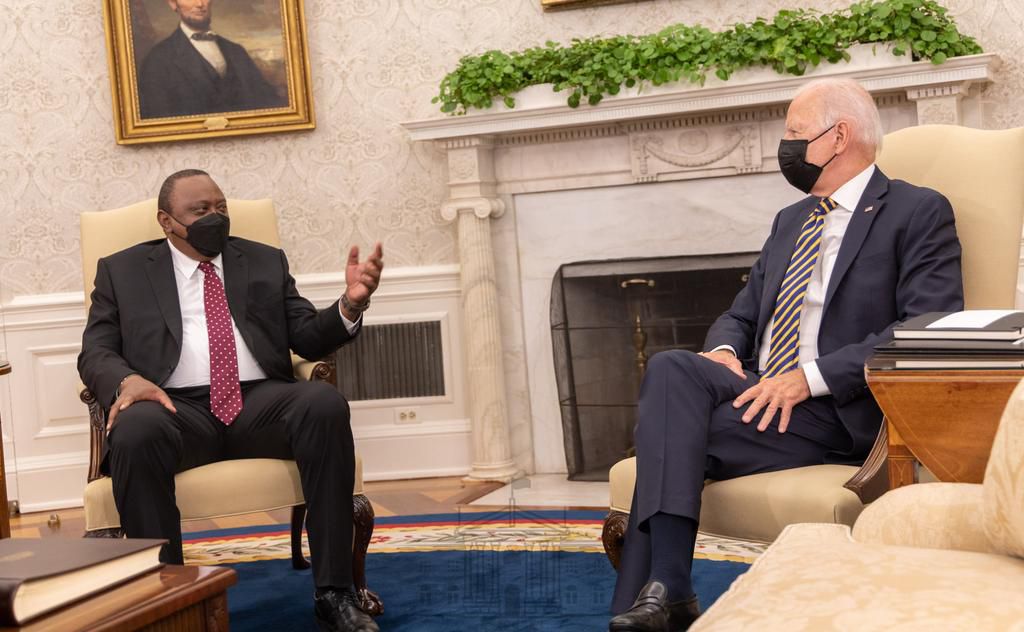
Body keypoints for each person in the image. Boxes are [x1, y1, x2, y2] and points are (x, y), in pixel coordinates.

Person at [608, 77, 964, 632]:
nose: (787, 145)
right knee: (673, 366)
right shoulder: (791, 220)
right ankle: (671, 590)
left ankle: (660, 593)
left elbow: (923, 328)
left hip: (837, 408)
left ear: (838, 136)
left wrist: (809, 377)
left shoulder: (916, 211)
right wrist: (725, 351)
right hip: (758, 387)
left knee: (670, 435)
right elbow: (742, 312)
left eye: (795, 133)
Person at [78, 169, 382, 632]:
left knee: (322, 403)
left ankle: (335, 594)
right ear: (166, 221)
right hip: (175, 408)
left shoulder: (263, 260)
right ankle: (169, 601)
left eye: (221, 208)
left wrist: (350, 305)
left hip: (260, 402)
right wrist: (126, 382)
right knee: (136, 429)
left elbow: (304, 335)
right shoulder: (121, 271)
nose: (215, 218)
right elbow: (96, 350)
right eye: (200, 211)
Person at [137, 0, 287, 119]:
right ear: (173, 3)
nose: (200, 4)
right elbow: (158, 120)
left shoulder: (236, 51)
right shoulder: (157, 60)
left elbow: (267, 101)